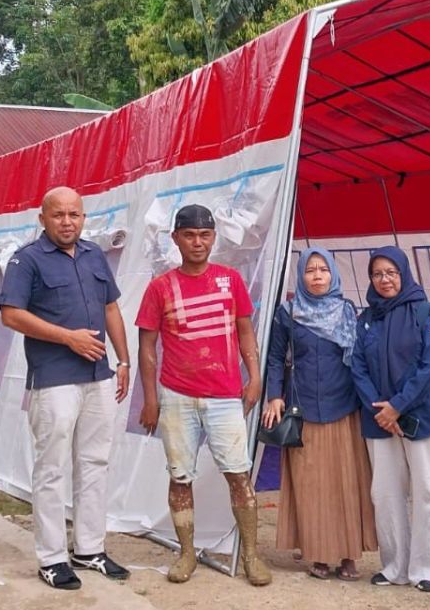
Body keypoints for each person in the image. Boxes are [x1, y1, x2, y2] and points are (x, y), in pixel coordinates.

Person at [0, 186, 132, 591]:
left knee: (95, 463)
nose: (67, 221)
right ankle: (52, 558)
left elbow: (111, 308)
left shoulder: (94, 256)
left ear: (84, 217)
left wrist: (123, 361)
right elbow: (11, 315)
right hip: (54, 379)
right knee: (52, 469)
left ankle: (89, 548)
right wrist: (67, 338)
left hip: (99, 378)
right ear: (43, 218)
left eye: (74, 214)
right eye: (58, 215)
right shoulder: (27, 260)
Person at [135, 204, 272, 587]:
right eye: (190, 235)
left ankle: (251, 555)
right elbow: (147, 347)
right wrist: (150, 399)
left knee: (239, 475)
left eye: (205, 235)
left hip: (226, 396)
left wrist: (255, 376)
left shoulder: (231, 280)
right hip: (176, 397)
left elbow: (246, 332)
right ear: (176, 238)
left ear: (214, 238)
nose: (198, 242)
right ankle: (186, 554)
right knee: (180, 477)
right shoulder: (159, 287)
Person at [262, 247, 377, 581]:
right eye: (310, 270)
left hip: (344, 407)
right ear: (301, 276)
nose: (316, 276)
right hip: (304, 408)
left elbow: (359, 359)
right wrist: (274, 397)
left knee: (347, 483)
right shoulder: (288, 312)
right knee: (311, 484)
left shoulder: (346, 310)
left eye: (323, 270)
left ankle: (347, 555)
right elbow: (274, 357)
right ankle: (318, 555)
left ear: (333, 275)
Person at [350, 245, 430, 593]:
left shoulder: (426, 312)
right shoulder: (365, 319)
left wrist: (398, 405)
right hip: (379, 420)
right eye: (377, 274)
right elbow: (358, 367)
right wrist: (383, 411)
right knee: (386, 494)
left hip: (421, 417)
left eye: (391, 272)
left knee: (428, 492)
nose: (384, 280)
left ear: (404, 273)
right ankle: (395, 567)